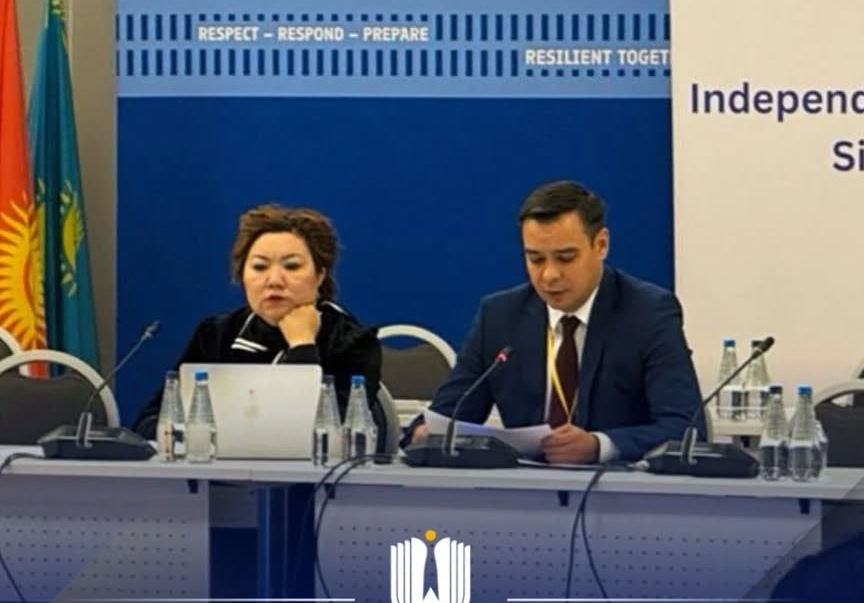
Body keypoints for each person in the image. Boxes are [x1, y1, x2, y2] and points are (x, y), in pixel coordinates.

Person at [411, 180, 703, 463]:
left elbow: (688, 428)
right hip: (521, 488)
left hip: (617, 487)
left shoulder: (648, 313)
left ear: (601, 245)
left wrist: (600, 445)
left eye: (565, 258)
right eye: (536, 259)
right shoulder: (499, 316)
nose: (549, 275)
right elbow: (448, 414)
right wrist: (424, 434)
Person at [134, 204, 381, 437]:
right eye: (260, 267)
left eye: (292, 266)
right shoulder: (215, 334)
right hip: (219, 468)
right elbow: (151, 421)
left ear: (319, 276)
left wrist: (303, 347)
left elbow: (334, 437)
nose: (274, 280)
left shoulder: (353, 342)